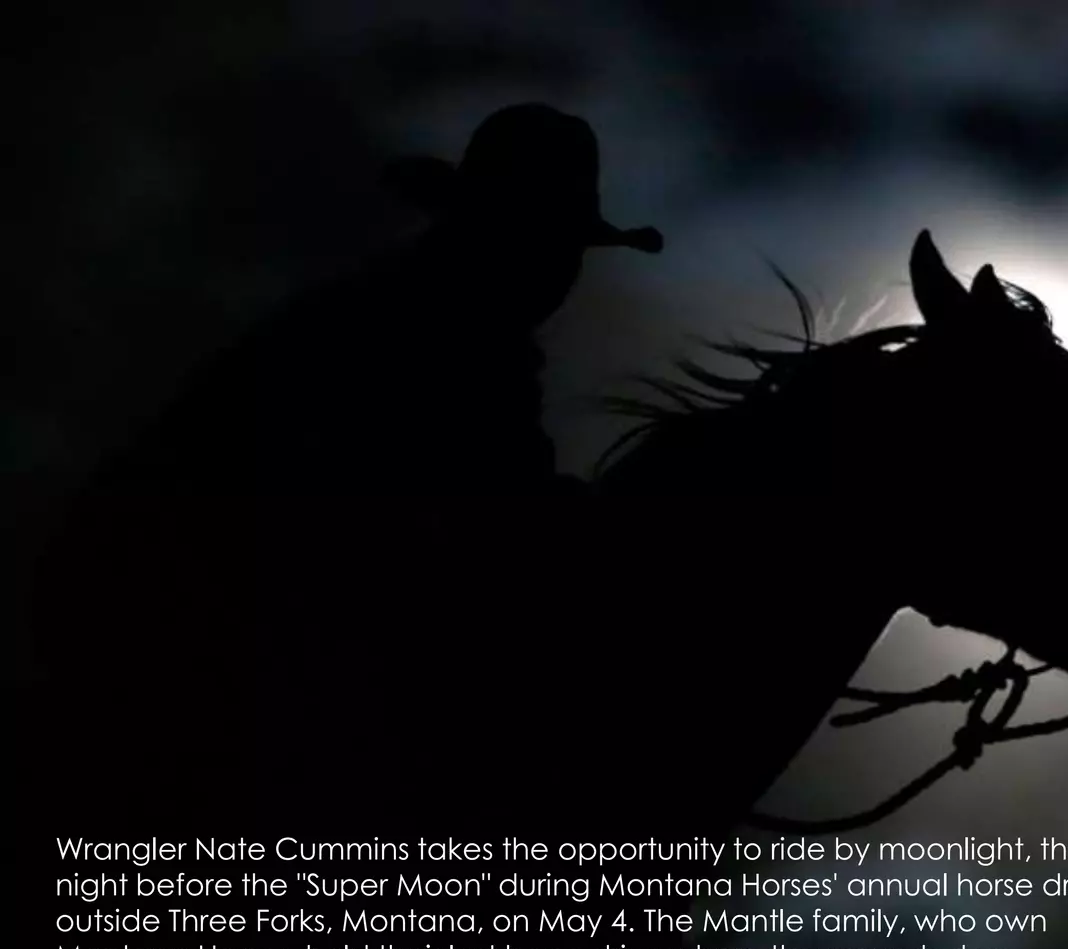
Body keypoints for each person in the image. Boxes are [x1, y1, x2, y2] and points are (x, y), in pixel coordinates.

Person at [30, 104, 662, 777]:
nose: (557, 270)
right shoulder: (426, 338)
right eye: (542, 242)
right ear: (491, 234)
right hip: (180, 638)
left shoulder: (442, 328)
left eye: (563, 248)